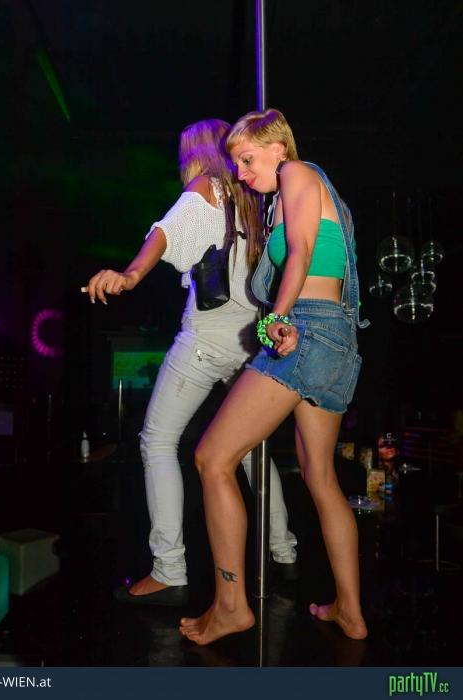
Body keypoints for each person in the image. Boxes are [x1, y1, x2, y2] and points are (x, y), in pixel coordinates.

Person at [84, 118, 297, 606]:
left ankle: (169, 568)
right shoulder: (256, 200)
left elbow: (165, 232)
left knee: (158, 441)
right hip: (252, 343)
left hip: (207, 340)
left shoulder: (207, 188)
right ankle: (285, 551)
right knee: (250, 449)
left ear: (196, 152)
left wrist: (131, 274)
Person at [179, 108, 369, 642]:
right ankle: (351, 611)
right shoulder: (290, 195)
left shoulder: (296, 173)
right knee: (320, 477)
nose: (241, 173)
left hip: (307, 328)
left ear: (278, 148)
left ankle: (231, 607)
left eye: (246, 159)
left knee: (212, 459)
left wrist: (278, 318)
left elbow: (302, 252)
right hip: (335, 338)